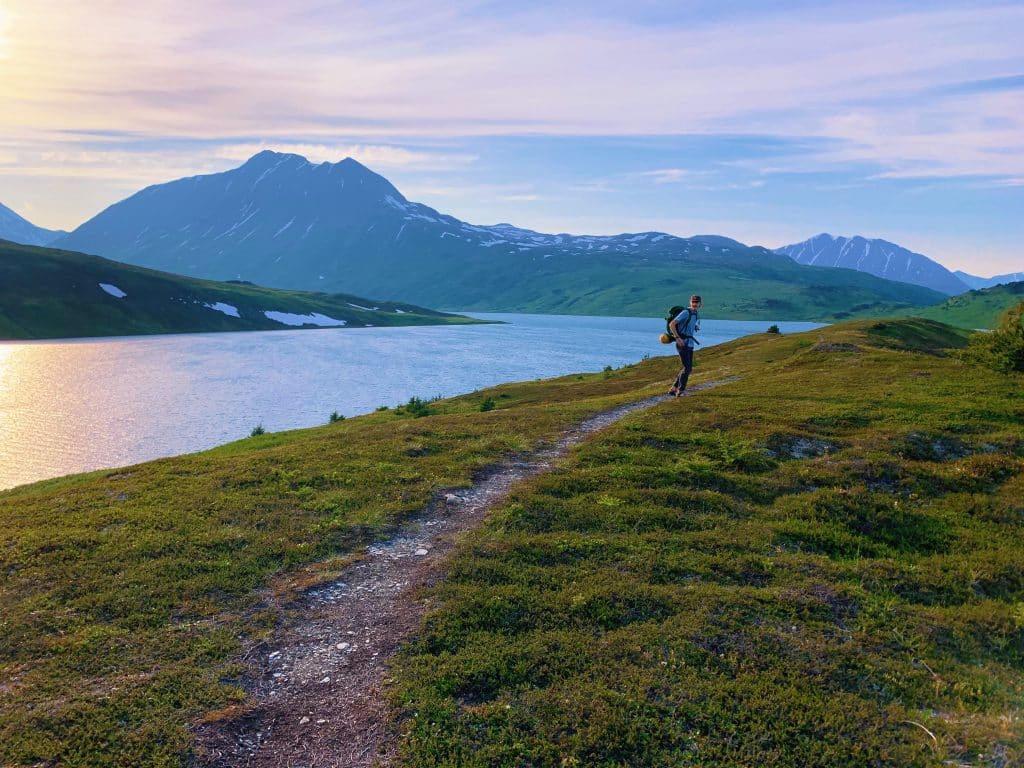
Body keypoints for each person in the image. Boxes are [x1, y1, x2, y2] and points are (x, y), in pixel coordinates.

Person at [668, 295, 701, 396]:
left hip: (689, 343)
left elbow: (692, 324)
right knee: (687, 368)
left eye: (697, 302)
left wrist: (695, 327)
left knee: (688, 368)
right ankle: (680, 390)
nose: (695, 304)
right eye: (693, 302)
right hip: (682, 343)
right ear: (690, 302)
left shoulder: (696, 314)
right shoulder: (686, 312)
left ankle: (673, 388)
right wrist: (677, 338)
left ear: (700, 304)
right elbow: (672, 324)